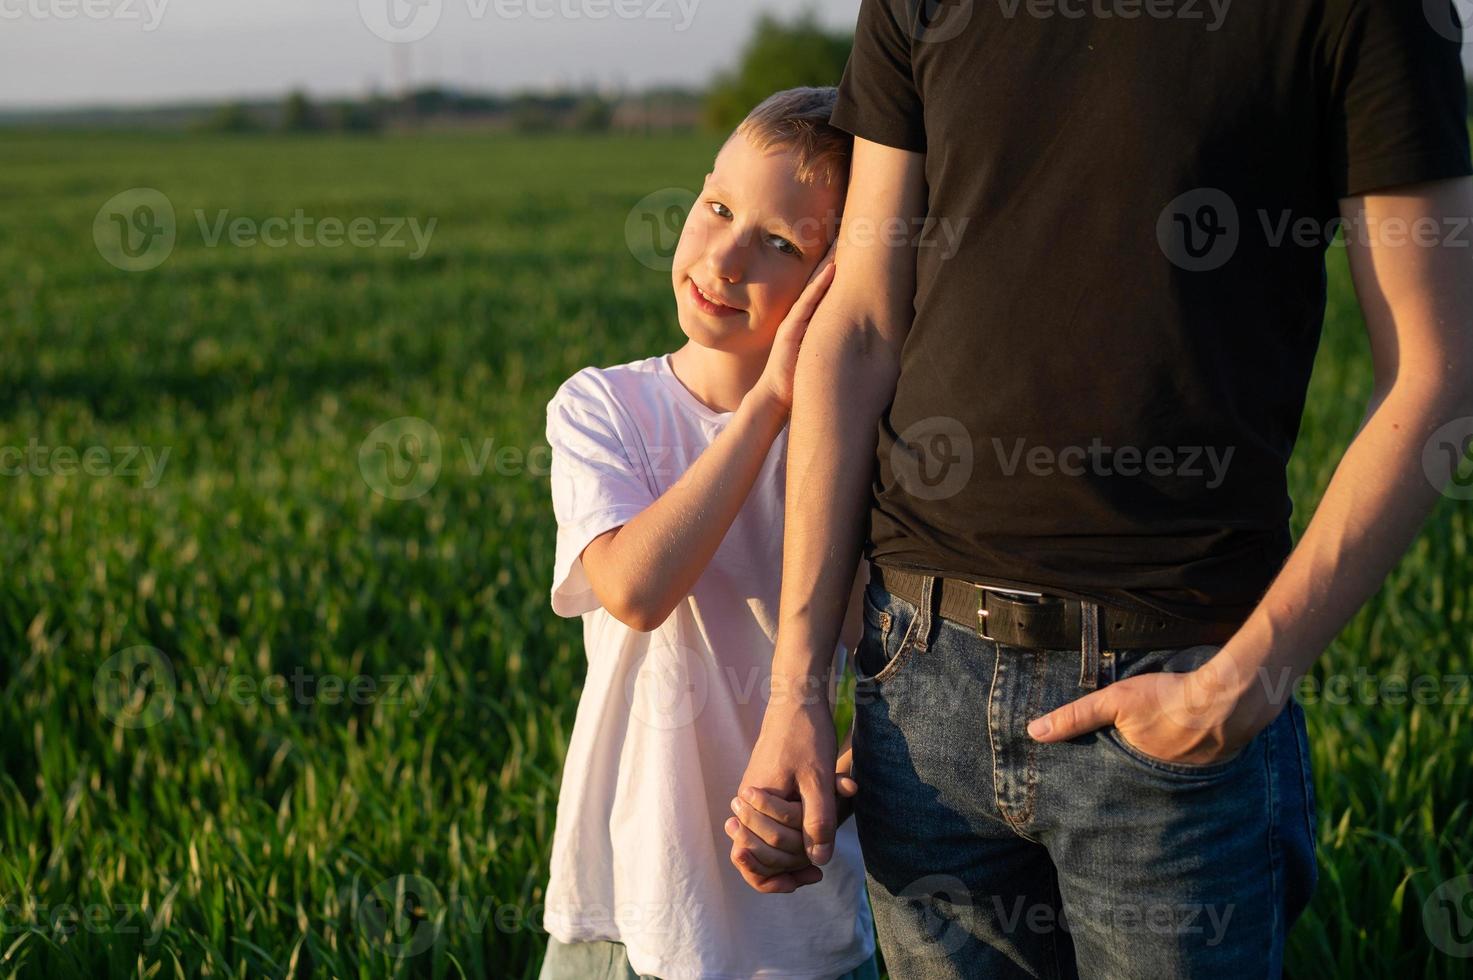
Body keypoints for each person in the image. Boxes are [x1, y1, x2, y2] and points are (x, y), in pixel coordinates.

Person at [729, 2, 1473, 977]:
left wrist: (1247, 674)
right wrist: (795, 689)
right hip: (919, 684)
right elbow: (861, 324)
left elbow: (1438, 370)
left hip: (1173, 691)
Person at [538, 86, 878, 980]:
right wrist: (767, 405)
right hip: (625, 899)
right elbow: (636, 589)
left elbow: (891, 668)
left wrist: (830, 794)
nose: (725, 257)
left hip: (798, 920)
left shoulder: (852, 453)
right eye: (718, 207)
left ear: (838, 281)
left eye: (780, 244)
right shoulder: (604, 404)